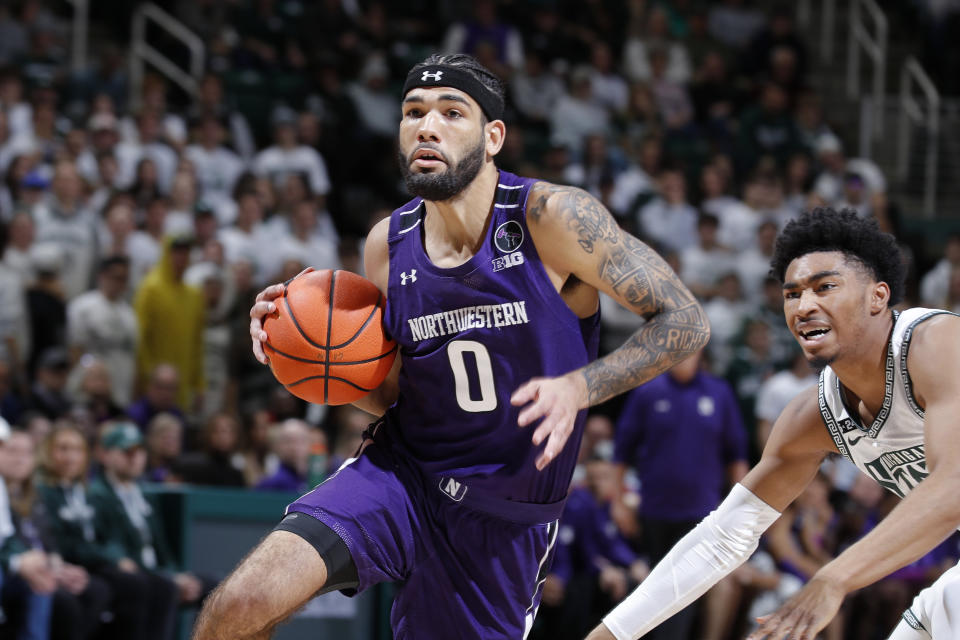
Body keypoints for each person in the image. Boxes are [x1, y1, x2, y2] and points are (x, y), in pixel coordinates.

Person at [192, 53, 708, 640]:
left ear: (493, 137)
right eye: (413, 112)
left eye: (450, 112)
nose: (426, 126)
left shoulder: (552, 217)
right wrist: (301, 355)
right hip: (402, 476)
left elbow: (686, 320)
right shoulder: (389, 241)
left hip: (503, 517)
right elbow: (394, 392)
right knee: (240, 605)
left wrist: (581, 385)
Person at [588, 207, 960, 640]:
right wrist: (609, 635)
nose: (804, 306)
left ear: (878, 297)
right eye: (792, 294)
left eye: (825, 287)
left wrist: (833, 578)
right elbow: (722, 539)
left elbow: (952, 487)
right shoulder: (813, 416)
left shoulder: (937, 344)